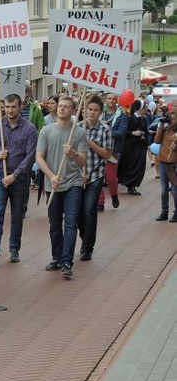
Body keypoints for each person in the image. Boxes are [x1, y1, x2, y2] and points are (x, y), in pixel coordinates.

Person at [0, 94, 38, 266]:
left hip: (19, 178)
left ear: (20, 106)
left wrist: (15, 175)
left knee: (17, 215)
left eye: (13, 106)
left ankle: (14, 249)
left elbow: (30, 156)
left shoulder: (29, 129)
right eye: (7, 107)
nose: (10, 110)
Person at [36, 96, 89, 277]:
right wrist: (50, 175)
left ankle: (67, 261)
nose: (62, 109)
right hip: (53, 184)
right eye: (60, 106)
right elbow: (39, 157)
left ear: (73, 110)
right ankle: (56, 257)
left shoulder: (79, 133)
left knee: (71, 223)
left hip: (73, 182)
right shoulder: (46, 131)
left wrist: (73, 152)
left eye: (66, 107)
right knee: (54, 224)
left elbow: (83, 161)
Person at [77, 95, 113, 261]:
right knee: (77, 213)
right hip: (77, 176)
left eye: (95, 110)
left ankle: (88, 247)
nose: (92, 113)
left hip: (95, 175)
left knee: (90, 210)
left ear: (100, 112)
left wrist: (90, 144)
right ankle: (85, 238)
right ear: (85, 110)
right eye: (89, 109)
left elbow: (107, 154)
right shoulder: (77, 127)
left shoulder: (104, 129)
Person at [117, 100, 148, 196]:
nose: (145, 109)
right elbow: (123, 132)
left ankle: (133, 185)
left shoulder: (143, 119)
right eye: (144, 107)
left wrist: (144, 134)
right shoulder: (129, 118)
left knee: (139, 165)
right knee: (130, 164)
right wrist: (133, 133)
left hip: (140, 146)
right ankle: (129, 184)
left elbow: (145, 130)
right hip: (130, 146)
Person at [154, 108, 177, 222]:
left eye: (173, 118)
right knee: (164, 190)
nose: (171, 121)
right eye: (170, 118)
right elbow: (157, 141)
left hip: (174, 163)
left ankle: (176, 213)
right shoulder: (165, 129)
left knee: (174, 189)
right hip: (163, 161)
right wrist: (161, 127)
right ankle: (164, 212)